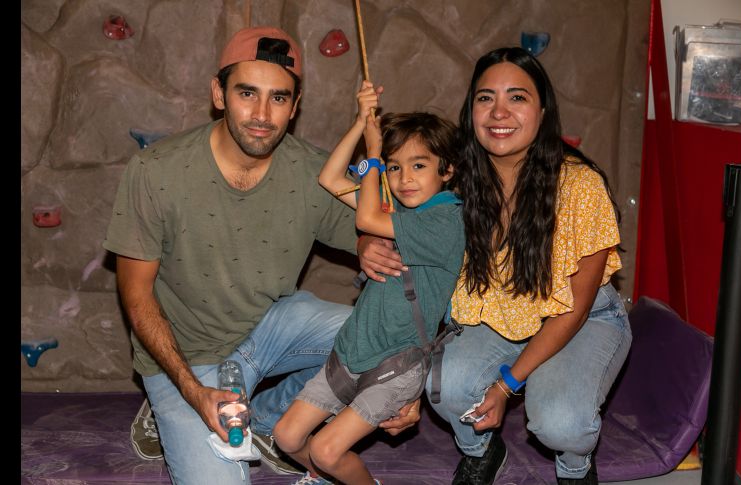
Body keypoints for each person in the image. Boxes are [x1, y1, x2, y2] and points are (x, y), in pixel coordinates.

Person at [103, 26, 410, 485]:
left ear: (296, 104)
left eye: (279, 98)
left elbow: (384, 232)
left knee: (390, 340)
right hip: (188, 358)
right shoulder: (155, 171)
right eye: (247, 92)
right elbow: (135, 296)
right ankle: (166, 404)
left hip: (270, 330)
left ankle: (265, 418)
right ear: (219, 93)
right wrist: (192, 391)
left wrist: (367, 239)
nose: (263, 114)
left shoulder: (314, 170)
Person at [358, 46, 632, 485]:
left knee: (559, 422)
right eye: (485, 98)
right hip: (498, 313)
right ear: (471, 111)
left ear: (542, 112)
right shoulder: (454, 178)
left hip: (579, 320)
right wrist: (366, 242)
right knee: (443, 388)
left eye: (517, 98)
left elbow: (574, 309)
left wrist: (506, 386)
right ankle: (482, 452)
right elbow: (383, 210)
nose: (498, 112)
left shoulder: (581, 186)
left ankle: (576, 466)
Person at [272, 81, 465, 485]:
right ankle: (326, 479)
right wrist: (362, 124)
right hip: (353, 351)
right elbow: (329, 178)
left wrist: (375, 154)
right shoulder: (398, 208)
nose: (403, 177)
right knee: (287, 436)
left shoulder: (445, 220)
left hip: (396, 365)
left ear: (447, 170)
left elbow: (365, 220)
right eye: (394, 167)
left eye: (419, 165)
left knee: (326, 449)